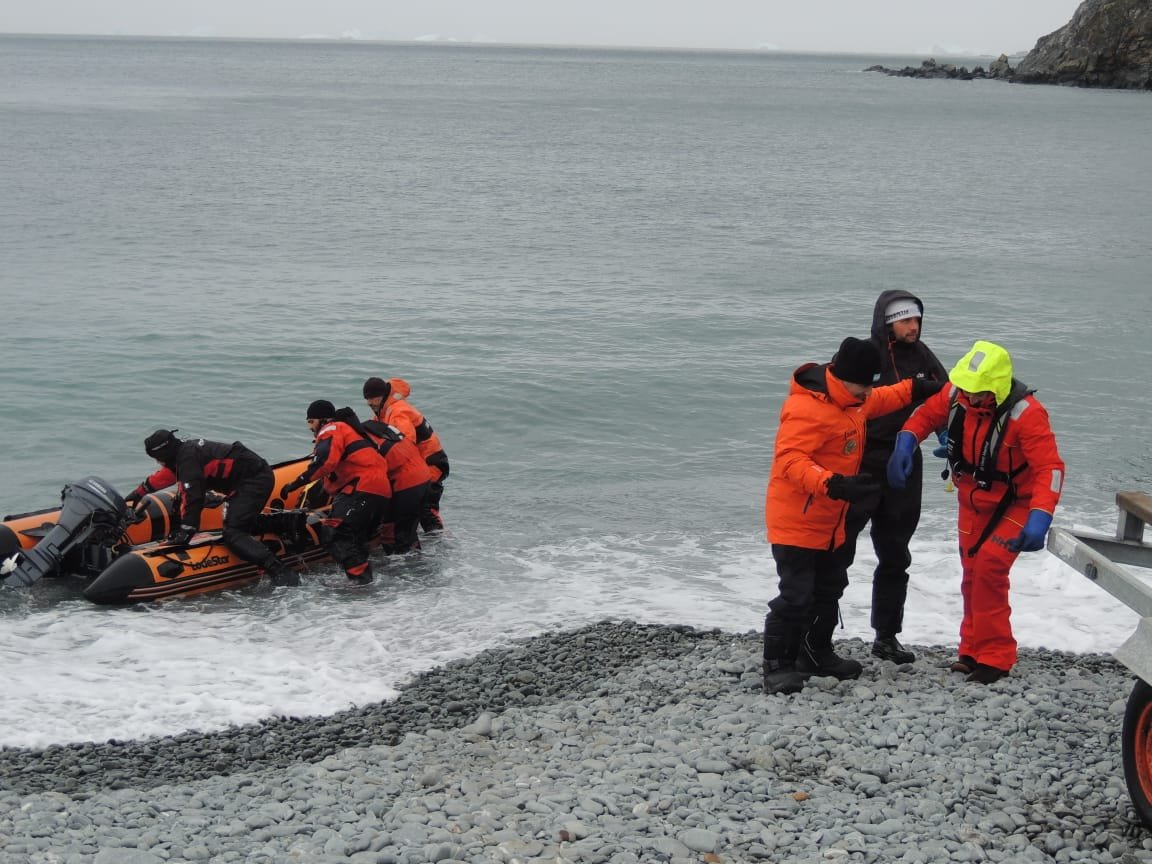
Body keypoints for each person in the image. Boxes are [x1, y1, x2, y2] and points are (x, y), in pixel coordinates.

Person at [763, 337, 945, 695]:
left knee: (831, 586)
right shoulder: (806, 408)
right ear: (844, 377)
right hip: (797, 521)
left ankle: (815, 653)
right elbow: (790, 462)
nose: (867, 392)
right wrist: (833, 484)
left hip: (831, 519)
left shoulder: (853, 400)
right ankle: (777, 665)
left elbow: (883, 398)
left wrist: (919, 388)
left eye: (869, 385)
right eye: (863, 385)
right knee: (796, 594)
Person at [888, 340, 1064, 684]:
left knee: (988, 571)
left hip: (1016, 503)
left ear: (995, 388)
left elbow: (1050, 469)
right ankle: (971, 650)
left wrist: (1040, 516)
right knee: (972, 576)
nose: (968, 399)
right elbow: (924, 416)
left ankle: (997, 656)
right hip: (972, 500)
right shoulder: (958, 394)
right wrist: (905, 441)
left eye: (977, 393)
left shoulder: (1027, 415)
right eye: (966, 391)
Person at [840, 291, 948, 665]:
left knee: (895, 553)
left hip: (905, 463)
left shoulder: (924, 357)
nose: (913, 327)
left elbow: (945, 399)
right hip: (864, 462)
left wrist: (948, 436)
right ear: (888, 323)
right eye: (905, 321)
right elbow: (839, 400)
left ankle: (886, 636)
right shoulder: (866, 355)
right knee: (840, 547)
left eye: (916, 320)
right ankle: (815, 631)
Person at [127, 430, 298, 586]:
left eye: (157, 458)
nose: (158, 462)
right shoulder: (183, 454)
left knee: (233, 533)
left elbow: (193, 498)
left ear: (164, 453)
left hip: (254, 480)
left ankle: (279, 570)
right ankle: (287, 524)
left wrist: (186, 531)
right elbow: (167, 476)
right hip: (248, 479)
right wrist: (139, 492)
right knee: (239, 522)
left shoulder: (188, 460)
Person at [279, 400, 392, 585]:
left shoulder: (331, 429)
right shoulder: (349, 431)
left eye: (311, 421)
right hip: (379, 491)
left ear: (323, 420)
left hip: (362, 488)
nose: (310, 427)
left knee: (334, 532)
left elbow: (325, 463)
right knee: (355, 538)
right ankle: (368, 585)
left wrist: (295, 484)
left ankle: (361, 583)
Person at [362, 377, 449, 532]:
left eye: (372, 399)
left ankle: (439, 546)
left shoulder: (397, 411)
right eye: (368, 400)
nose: (370, 403)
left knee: (426, 509)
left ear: (380, 397)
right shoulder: (383, 411)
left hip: (431, 462)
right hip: (421, 462)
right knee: (411, 506)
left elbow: (405, 442)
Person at [362, 418, 432, 555]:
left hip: (406, 483)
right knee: (408, 530)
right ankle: (418, 566)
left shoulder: (359, 439)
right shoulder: (374, 427)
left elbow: (372, 476)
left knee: (396, 533)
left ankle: (406, 572)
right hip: (424, 476)